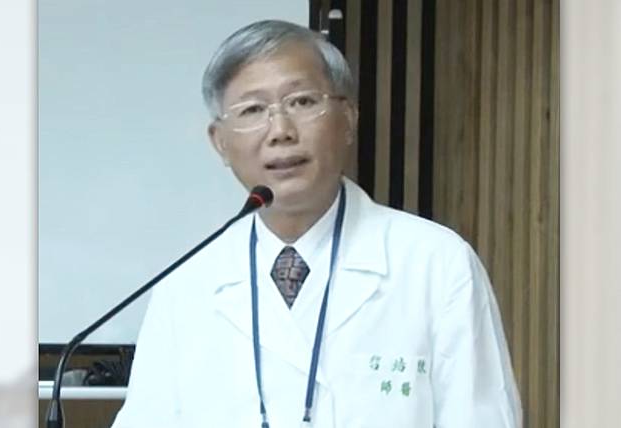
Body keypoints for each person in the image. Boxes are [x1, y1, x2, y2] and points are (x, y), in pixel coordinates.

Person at [111, 20, 522, 427]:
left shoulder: (437, 264)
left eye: (302, 102)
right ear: (220, 142)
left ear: (348, 118)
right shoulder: (186, 285)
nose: (280, 131)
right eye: (252, 110)